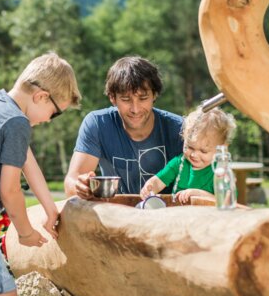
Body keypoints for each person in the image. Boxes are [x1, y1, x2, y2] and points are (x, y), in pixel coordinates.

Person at [0, 52, 81, 296]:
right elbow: (9, 190)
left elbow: (26, 160)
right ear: (41, 96)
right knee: (4, 295)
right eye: (54, 113)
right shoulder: (18, 122)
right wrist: (24, 232)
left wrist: (50, 209)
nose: (48, 120)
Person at [64, 56, 183, 198]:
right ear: (112, 98)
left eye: (143, 98)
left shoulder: (180, 128)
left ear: (154, 95)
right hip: (116, 215)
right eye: (126, 99)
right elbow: (71, 182)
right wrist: (80, 186)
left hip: (168, 214)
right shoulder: (97, 124)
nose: (135, 109)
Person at [140, 106, 236, 204]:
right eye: (189, 147)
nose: (194, 155)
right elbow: (158, 181)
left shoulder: (220, 172)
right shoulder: (179, 163)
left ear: (221, 149)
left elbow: (227, 201)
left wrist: (196, 194)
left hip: (209, 218)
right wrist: (150, 187)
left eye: (203, 151)